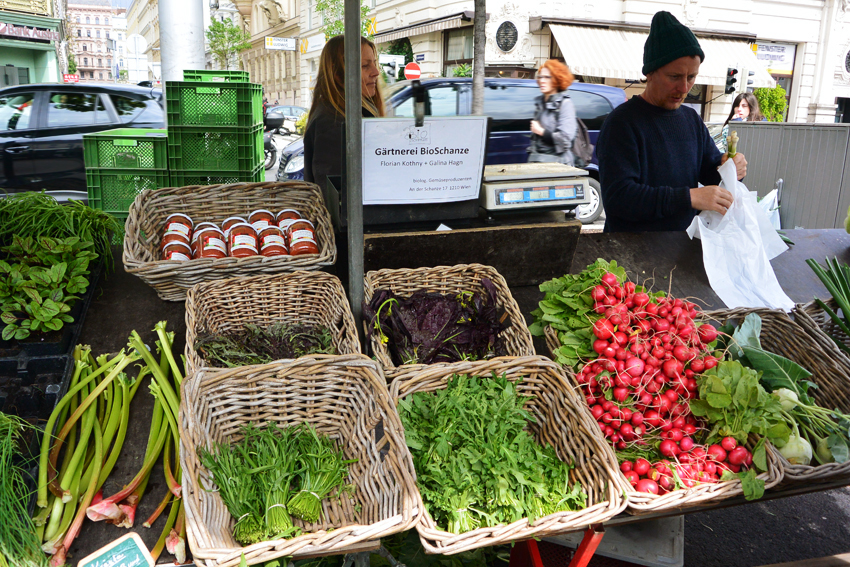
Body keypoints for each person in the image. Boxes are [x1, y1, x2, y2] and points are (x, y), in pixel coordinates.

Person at [596, 11, 748, 233]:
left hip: (683, 248)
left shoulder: (691, 120)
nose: (685, 88)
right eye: (674, 77)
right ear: (650, 72)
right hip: (629, 254)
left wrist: (731, 168)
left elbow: (712, 174)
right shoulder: (622, 123)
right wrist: (688, 197)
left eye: (691, 77)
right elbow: (619, 199)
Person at [304, 35, 384, 192]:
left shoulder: (349, 112)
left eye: (374, 64)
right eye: (365, 66)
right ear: (338, 74)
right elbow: (336, 196)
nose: (376, 72)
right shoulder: (332, 122)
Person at [528, 59, 578, 166]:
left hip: (558, 167)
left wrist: (541, 131)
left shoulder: (565, 104)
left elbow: (564, 141)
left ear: (557, 79)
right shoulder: (540, 103)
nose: (542, 80)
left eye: (547, 77)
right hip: (539, 163)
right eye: (540, 77)